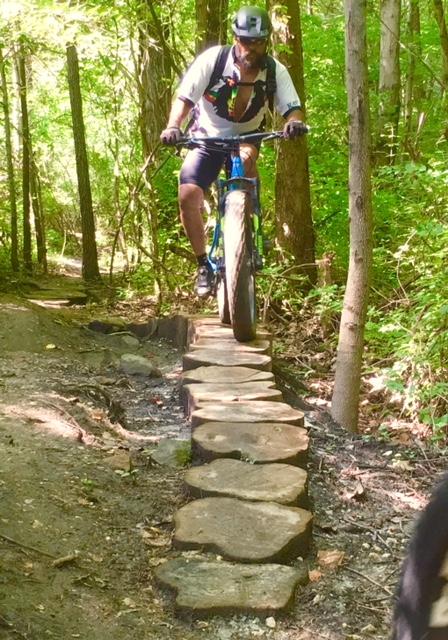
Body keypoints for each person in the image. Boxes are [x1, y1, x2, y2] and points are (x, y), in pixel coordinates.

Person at [160, 5, 307, 297]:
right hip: (207, 138)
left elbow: (293, 108)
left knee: (246, 160)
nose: (250, 48)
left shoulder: (274, 70)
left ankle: (250, 227)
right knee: (188, 194)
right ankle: (203, 263)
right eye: (245, 40)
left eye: (258, 42)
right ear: (235, 38)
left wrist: (294, 123)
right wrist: (173, 125)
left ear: (266, 41)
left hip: (248, 137)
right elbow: (186, 97)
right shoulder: (213, 60)